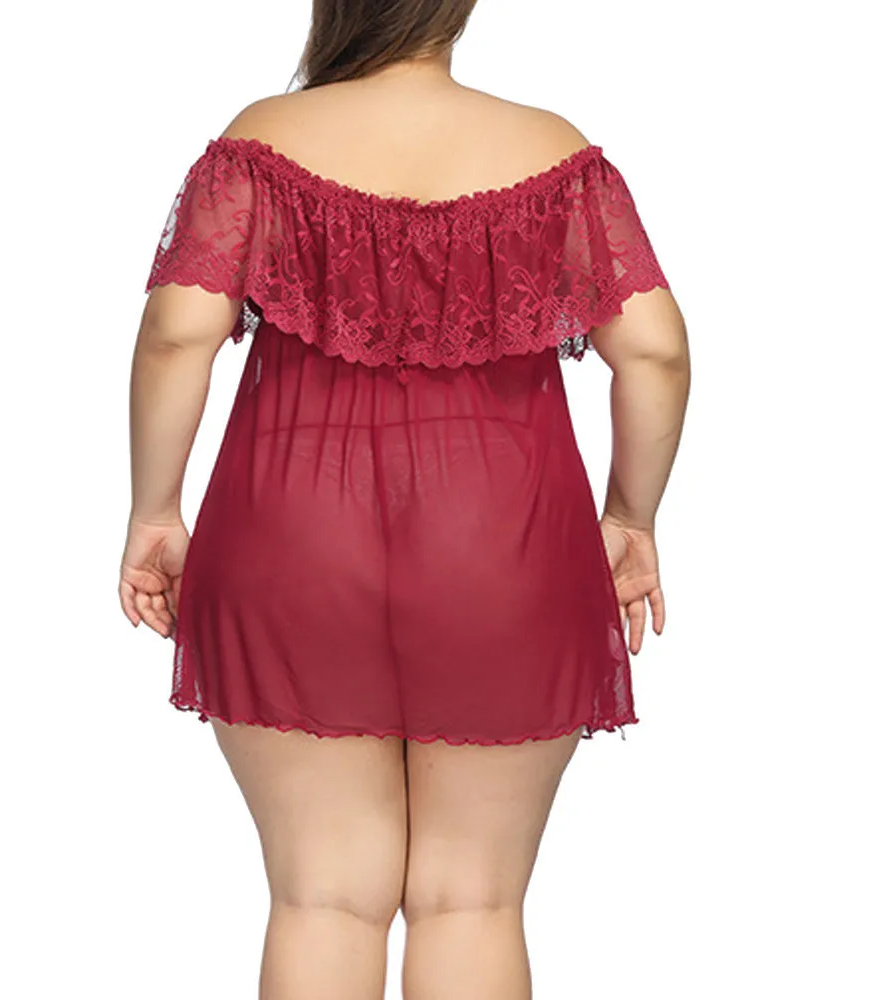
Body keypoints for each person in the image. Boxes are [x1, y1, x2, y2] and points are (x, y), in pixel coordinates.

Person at [119, 1, 690, 996]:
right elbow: (656, 351)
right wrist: (629, 517)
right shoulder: (554, 156)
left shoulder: (258, 145)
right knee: (473, 901)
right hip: (504, 544)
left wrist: (154, 511)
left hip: (292, 533)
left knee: (321, 897)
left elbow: (177, 332)